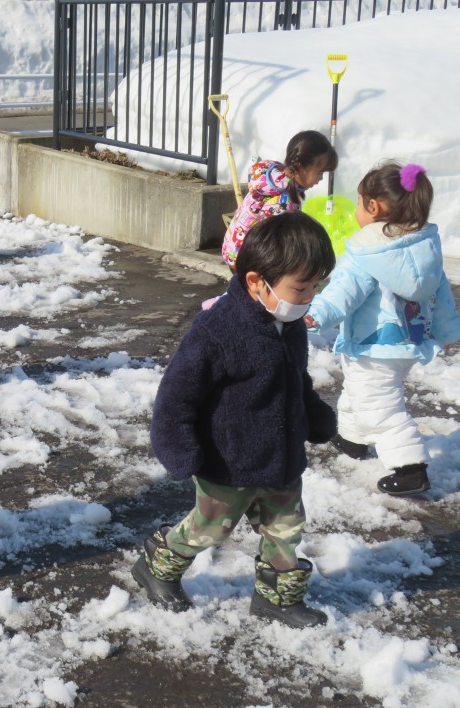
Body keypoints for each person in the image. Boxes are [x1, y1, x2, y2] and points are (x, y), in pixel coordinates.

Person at [133, 212, 337, 628]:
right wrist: (177, 446)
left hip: (281, 459)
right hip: (228, 462)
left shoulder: (290, 325)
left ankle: (277, 600)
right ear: (257, 282)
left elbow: (295, 379)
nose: (308, 298)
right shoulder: (217, 330)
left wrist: (315, 414)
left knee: (286, 530)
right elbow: (177, 394)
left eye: (316, 287)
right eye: (300, 288)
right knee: (208, 530)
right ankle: (158, 565)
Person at [304, 162, 460, 496]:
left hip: (374, 345)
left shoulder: (366, 252)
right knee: (359, 393)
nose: (356, 211)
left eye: (359, 203)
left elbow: (342, 293)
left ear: (373, 207)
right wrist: (448, 332)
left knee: (380, 409)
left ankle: (410, 469)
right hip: (408, 342)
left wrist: (315, 314)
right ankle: (351, 439)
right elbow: (442, 294)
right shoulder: (425, 248)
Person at [221, 130, 338, 270]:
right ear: (300, 167)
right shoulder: (283, 203)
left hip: (234, 249)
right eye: (320, 172)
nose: (321, 178)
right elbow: (278, 244)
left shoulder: (272, 178)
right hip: (247, 260)